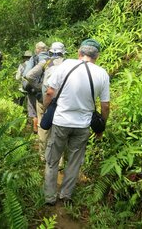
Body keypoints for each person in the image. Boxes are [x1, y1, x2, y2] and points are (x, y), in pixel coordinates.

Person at [43, 39, 110, 205]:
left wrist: (46, 110)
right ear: (97, 56)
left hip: (60, 122)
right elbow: (105, 105)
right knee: (73, 162)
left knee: (52, 160)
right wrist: (101, 127)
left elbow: (50, 92)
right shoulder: (102, 73)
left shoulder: (65, 65)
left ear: (79, 53)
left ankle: (49, 198)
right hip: (82, 125)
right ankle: (66, 195)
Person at [25, 42, 66, 159]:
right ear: (63, 52)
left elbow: (29, 76)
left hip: (44, 99)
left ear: (50, 52)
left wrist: (39, 86)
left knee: (43, 128)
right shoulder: (67, 64)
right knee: (59, 129)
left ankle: (43, 156)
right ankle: (59, 160)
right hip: (62, 101)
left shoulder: (46, 62)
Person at [22, 42, 50, 134]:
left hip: (34, 90)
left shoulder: (33, 58)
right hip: (48, 90)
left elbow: (26, 74)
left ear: (37, 49)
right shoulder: (51, 59)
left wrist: (35, 86)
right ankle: (46, 131)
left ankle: (36, 131)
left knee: (34, 111)